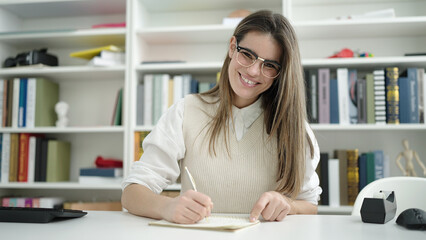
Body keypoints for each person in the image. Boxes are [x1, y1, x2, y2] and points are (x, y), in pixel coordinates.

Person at [121, 10, 321, 224]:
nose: (254, 71)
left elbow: (310, 205)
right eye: (247, 54)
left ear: (281, 73)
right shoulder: (186, 111)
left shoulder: (294, 128)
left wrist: (287, 204)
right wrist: (167, 206)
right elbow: (131, 193)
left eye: (270, 65)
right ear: (232, 47)